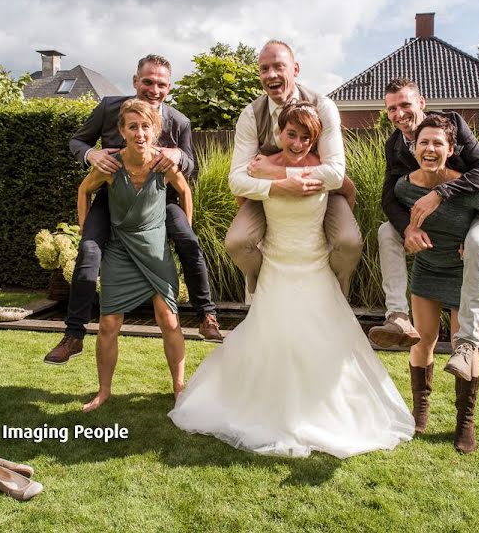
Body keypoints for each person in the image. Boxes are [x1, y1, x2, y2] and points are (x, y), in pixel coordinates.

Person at [169, 103, 414, 458]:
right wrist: (275, 178)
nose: (298, 143)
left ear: (315, 140)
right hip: (276, 264)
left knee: (320, 334)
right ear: (279, 134)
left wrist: (336, 211)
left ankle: (323, 408)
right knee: (274, 332)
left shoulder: (323, 170)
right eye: (291, 135)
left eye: (306, 137)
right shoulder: (261, 168)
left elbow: (348, 189)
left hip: (314, 262)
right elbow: (241, 190)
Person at [44, 55, 222, 366]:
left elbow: (190, 167)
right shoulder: (110, 107)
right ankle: (73, 335)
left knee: (189, 241)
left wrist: (177, 153)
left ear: (169, 86)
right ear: (135, 81)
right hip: (112, 196)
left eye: (161, 84)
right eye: (148, 81)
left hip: (161, 199)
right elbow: (77, 141)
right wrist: (91, 155)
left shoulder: (179, 121)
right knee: (88, 252)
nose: (154, 89)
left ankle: (206, 315)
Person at [394, 114, 479, 453]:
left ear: (451, 149)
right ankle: (420, 412)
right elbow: (398, 221)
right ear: (414, 148)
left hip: (463, 276)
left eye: (438, 143)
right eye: (424, 143)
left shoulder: (468, 188)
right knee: (423, 340)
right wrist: (409, 233)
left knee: (466, 347)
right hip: (428, 269)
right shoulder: (404, 188)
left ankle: (465, 422)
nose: (430, 149)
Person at [368, 78, 479, 400]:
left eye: (405, 105)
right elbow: (389, 198)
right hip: (435, 239)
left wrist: (441, 193)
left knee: (477, 243)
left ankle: (465, 411)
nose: (399, 114)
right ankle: (397, 316)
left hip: (477, 213)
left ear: (421, 103)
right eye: (392, 109)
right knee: (387, 230)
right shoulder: (395, 145)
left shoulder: (451, 124)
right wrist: (408, 229)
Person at [225, 40, 362, 300]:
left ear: (295, 69)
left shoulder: (323, 107)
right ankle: (259, 285)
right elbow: (237, 182)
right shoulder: (251, 115)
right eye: (264, 69)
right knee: (237, 242)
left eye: (279, 66)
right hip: (268, 196)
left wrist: (277, 173)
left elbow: (334, 173)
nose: (272, 75)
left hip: (322, 193)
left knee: (348, 242)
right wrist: (277, 186)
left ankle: (335, 290)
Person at [80, 100, 192, 412]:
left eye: (145, 127)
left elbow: (185, 192)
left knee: (169, 320)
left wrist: (183, 230)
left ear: (155, 130)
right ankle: (103, 391)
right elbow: (83, 190)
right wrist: (84, 229)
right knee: (108, 323)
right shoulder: (111, 164)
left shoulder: (162, 163)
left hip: (155, 251)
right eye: (133, 127)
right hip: (120, 250)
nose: (140, 133)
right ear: (122, 130)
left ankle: (179, 387)